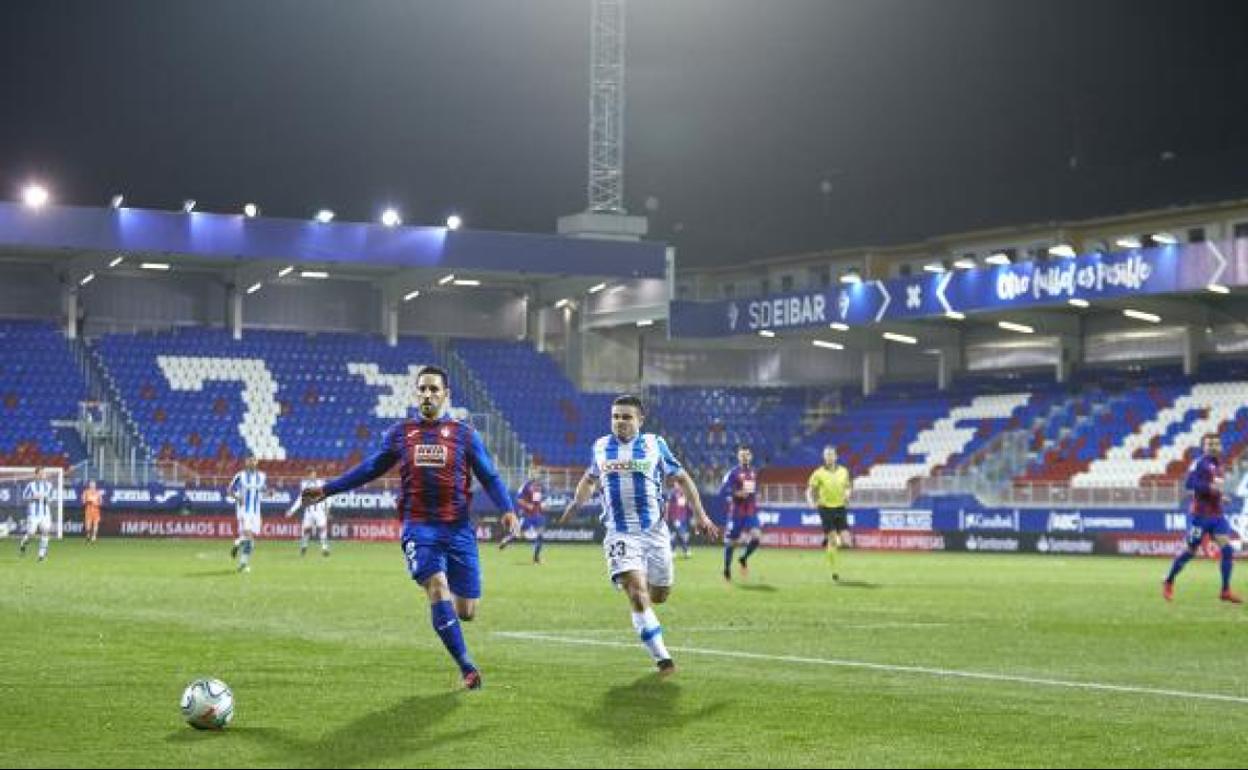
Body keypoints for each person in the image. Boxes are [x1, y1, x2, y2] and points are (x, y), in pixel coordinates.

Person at [301, 365, 519, 689]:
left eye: (434, 389)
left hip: (458, 529)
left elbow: (489, 476)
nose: (428, 394)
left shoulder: (464, 435)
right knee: (437, 586)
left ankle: (451, 622)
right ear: (416, 393)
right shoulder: (400, 434)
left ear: (446, 395)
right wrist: (327, 489)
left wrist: (508, 510)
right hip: (419, 527)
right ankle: (467, 667)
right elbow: (370, 468)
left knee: (467, 611)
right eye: (423, 389)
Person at [558, 394, 718, 675]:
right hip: (619, 533)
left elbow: (682, 478)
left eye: (626, 417)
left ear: (640, 420)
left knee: (660, 595)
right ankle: (663, 659)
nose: (619, 421)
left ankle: (649, 617)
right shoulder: (600, 446)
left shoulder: (655, 444)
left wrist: (701, 515)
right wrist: (576, 503)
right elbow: (590, 478)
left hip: (654, 533)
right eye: (615, 416)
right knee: (636, 592)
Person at [1163, 434, 1241, 603]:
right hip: (1200, 516)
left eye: (1216, 443)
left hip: (1217, 515)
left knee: (1227, 549)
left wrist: (1220, 496)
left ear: (1220, 446)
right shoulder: (1199, 463)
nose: (1213, 446)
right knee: (1190, 551)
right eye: (1209, 444)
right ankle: (1169, 580)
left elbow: (1214, 489)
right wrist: (1209, 488)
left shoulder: (1219, 465)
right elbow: (1189, 484)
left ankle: (1225, 590)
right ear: (1203, 447)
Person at [807, 446, 853, 580]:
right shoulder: (818, 473)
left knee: (846, 542)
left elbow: (848, 487)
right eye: (827, 455)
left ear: (836, 456)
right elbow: (809, 490)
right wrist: (810, 501)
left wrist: (847, 495)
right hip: (825, 508)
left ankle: (829, 540)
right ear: (824, 457)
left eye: (831, 454)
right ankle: (834, 571)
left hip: (840, 508)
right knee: (833, 541)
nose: (829, 457)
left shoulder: (844, 471)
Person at [720, 445, 760, 582]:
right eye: (742, 455)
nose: (744, 457)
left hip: (751, 512)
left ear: (751, 456)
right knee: (731, 543)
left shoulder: (753, 472)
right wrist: (736, 493)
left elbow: (753, 491)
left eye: (747, 455)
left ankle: (743, 558)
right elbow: (724, 490)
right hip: (736, 512)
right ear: (738, 457)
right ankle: (726, 569)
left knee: (756, 537)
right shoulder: (732, 473)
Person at [226, 455, 267, 573]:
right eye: (250, 460)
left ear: (257, 462)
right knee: (249, 540)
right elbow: (229, 490)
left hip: (256, 512)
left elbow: (264, 489)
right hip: (244, 511)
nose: (252, 462)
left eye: (254, 460)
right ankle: (243, 565)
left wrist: (269, 492)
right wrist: (238, 498)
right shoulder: (240, 475)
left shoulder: (262, 476)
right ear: (246, 462)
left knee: (251, 541)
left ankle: (238, 542)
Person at [501, 464, 546, 564]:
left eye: (537, 472)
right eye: (533, 472)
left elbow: (538, 500)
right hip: (527, 515)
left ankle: (536, 558)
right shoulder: (525, 485)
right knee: (518, 534)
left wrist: (542, 506)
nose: (535, 474)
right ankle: (506, 540)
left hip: (537, 514)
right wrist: (527, 505)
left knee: (540, 535)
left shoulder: (539, 486)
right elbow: (518, 499)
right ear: (530, 473)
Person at [287, 468, 331, 557]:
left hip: (319, 511)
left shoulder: (321, 483)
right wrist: (291, 510)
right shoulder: (304, 485)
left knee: (322, 529)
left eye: (314, 474)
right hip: (309, 511)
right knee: (306, 530)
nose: (312, 476)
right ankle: (304, 547)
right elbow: (300, 499)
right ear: (308, 475)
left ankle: (324, 548)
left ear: (316, 474)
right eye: (310, 474)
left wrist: (327, 509)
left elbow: (328, 496)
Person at [19, 467, 54, 562]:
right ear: (36, 475)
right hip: (33, 514)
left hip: (46, 514)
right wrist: (33, 497)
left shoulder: (49, 485)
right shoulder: (31, 485)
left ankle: (41, 555)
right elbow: (24, 496)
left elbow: (51, 499)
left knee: (45, 532)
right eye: (40, 473)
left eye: (44, 473)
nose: (43, 475)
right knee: (31, 532)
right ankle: (23, 543)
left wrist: (47, 498)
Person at [666, 481, 693, 558]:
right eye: (676, 484)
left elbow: (688, 506)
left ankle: (676, 550)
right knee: (678, 534)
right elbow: (668, 505)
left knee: (681, 535)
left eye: (678, 484)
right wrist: (667, 515)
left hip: (684, 518)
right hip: (675, 518)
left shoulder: (685, 494)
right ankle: (683, 550)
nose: (676, 485)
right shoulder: (672, 493)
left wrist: (691, 516)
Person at [83, 479, 102, 544]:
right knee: (88, 523)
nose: (92, 486)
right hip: (88, 510)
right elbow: (83, 501)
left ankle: (94, 536)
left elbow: (101, 502)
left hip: (96, 510)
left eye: (93, 484)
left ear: (95, 485)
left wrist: (96, 503)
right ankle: (88, 535)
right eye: (91, 484)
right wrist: (88, 502)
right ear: (89, 485)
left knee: (96, 524)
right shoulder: (86, 492)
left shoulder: (98, 492)